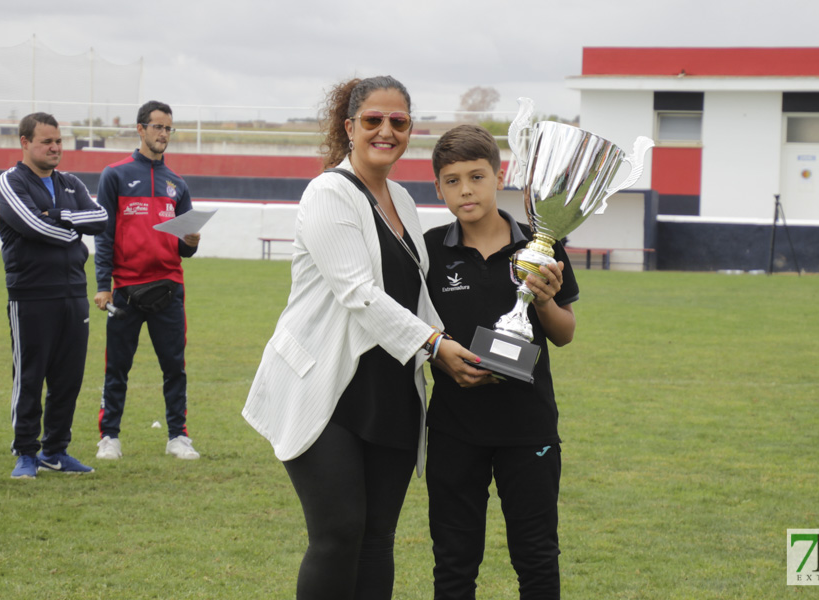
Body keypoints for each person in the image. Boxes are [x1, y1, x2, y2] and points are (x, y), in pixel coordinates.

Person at [242, 76, 487, 600]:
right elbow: (359, 293)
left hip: (390, 390)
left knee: (377, 539)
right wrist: (433, 345)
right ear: (350, 127)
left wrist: (444, 346)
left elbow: (415, 291)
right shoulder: (328, 192)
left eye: (398, 122)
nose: (385, 131)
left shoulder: (402, 196)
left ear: (409, 130)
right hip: (326, 389)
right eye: (373, 120)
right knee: (338, 535)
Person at [423, 124, 579, 599]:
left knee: (535, 557)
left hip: (527, 428)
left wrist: (546, 301)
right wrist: (440, 354)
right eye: (452, 181)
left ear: (499, 176)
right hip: (454, 429)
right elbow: (412, 328)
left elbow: (565, 333)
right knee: (453, 560)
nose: (465, 190)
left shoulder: (541, 245)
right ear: (438, 187)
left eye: (476, 176)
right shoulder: (429, 251)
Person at [0, 112, 108, 479]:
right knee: (29, 376)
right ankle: (26, 452)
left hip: (74, 292)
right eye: (47, 142)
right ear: (25, 143)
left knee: (68, 377)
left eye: (59, 141)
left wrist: (57, 215)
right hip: (31, 294)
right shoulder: (10, 182)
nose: (55, 148)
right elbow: (34, 226)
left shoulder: (71, 182)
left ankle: (56, 450)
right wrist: (71, 224)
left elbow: (102, 218)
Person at [93, 100, 202, 461]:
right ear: (140, 129)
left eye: (169, 128)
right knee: (117, 368)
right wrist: (103, 285)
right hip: (125, 290)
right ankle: (109, 437)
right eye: (158, 127)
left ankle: (178, 437)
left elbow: (184, 247)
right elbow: (104, 234)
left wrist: (191, 242)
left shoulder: (177, 184)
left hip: (169, 288)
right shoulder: (116, 175)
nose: (164, 134)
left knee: (174, 366)